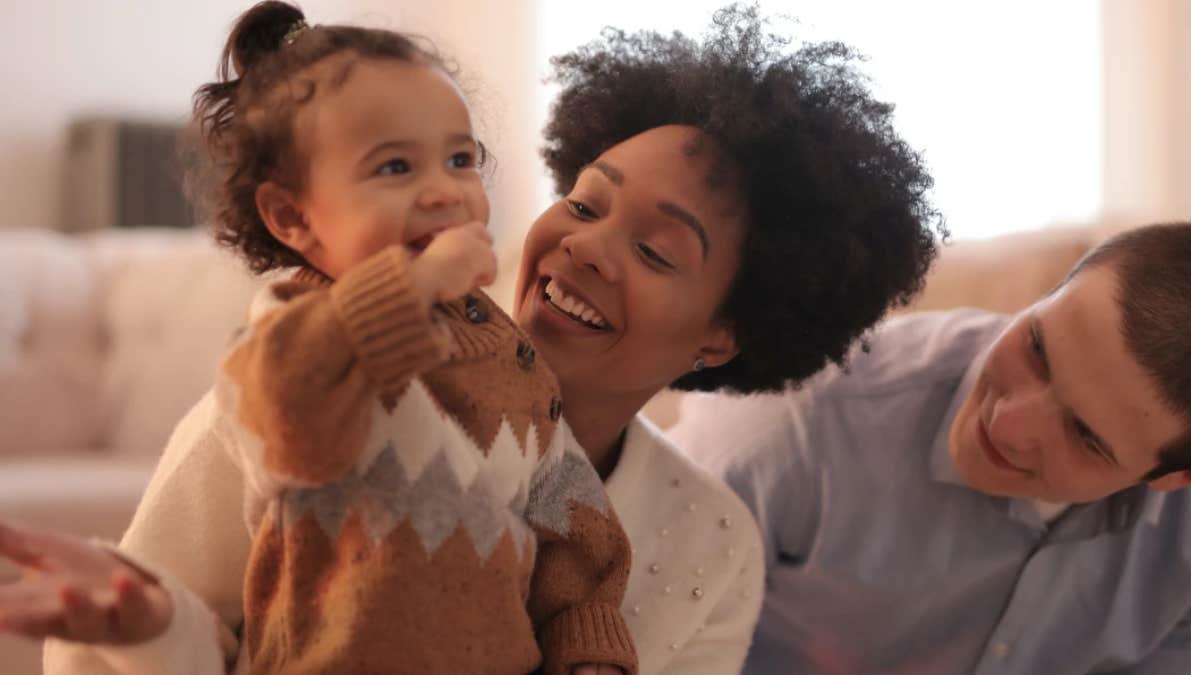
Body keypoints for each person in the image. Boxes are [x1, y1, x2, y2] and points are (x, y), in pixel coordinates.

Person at [2, 4, 942, 674]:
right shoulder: (305, 388)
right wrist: (153, 624)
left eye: (654, 251)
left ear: (724, 333)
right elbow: (109, 651)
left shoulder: (711, 547)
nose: (583, 247)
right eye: (583, 200)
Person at [671, 221, 1191, 674]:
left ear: (1181, 476)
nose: (1008, 423)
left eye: (1086, 435)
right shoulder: (791, 422)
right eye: (1038, 348)